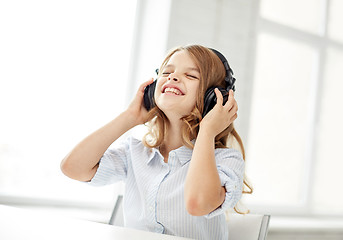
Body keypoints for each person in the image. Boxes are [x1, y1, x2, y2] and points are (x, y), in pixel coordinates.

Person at [60, 44, 252, 240]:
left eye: (191, 76)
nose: (173, 77)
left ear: (213, 98)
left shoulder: (227, 160)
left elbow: (198, 204)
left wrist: (207, 131)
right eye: (167, 72)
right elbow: (72, 168)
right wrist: (130, 116)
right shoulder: (135, 153)